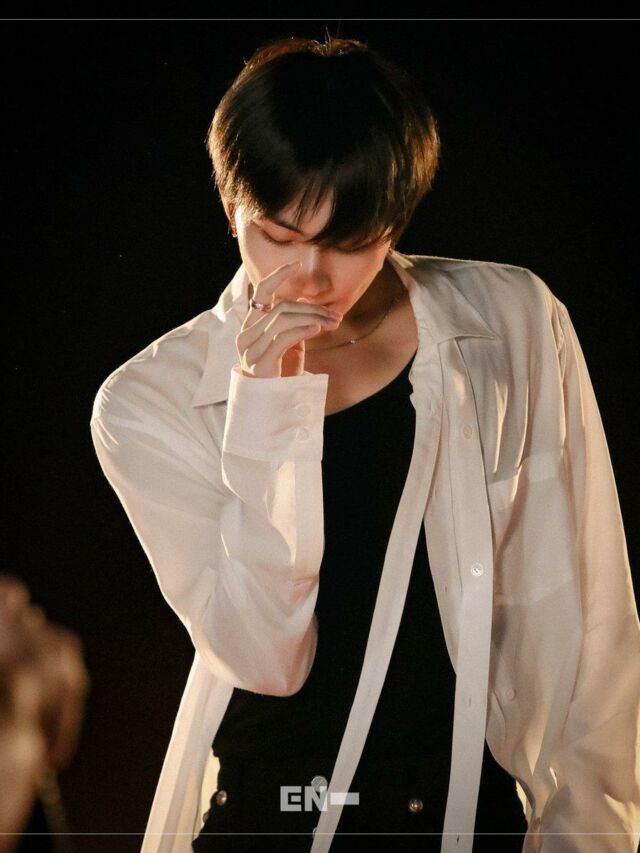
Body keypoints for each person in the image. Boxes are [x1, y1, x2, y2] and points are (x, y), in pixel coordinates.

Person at [89, 34, 640, 853]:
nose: (310, 275)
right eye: (277, 235)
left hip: (461, 811)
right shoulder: (149, 399)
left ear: (394, 221)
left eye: (349, 241)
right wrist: (267, 400)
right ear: (231, 205)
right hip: (269, 812)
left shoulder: (513, 323)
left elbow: (594, 631)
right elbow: (267, 656)